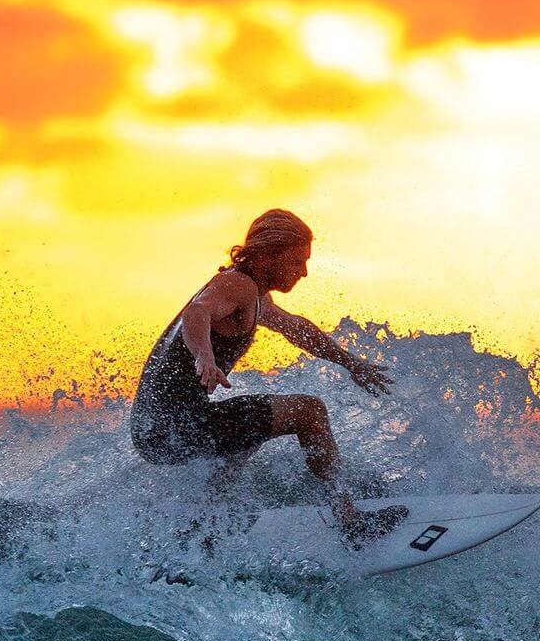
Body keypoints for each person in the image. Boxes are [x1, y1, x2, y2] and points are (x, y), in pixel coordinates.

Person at [130, 209, 408, 543]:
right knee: (309, 412)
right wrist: (204, 355)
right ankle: (350, 523)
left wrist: (351, 363)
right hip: (173, 427)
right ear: (268, 254)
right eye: (297, 261)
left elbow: (296, 329)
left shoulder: (254, 294)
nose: (303, 272)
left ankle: (199, 531)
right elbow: (197, 311)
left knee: (255, 428)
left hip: (155, 431)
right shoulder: (237, 285)